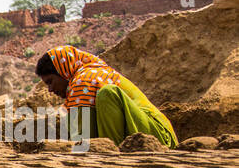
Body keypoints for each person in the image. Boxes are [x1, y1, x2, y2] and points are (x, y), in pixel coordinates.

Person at [35, 45, 178, 147]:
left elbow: (84, 139)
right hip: (148, 134)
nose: (50, 90)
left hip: (159, 136)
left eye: (50, 82)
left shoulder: (83, 81)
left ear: (64, 72)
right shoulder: (84, 80)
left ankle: (114, 153)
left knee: (107, 93)